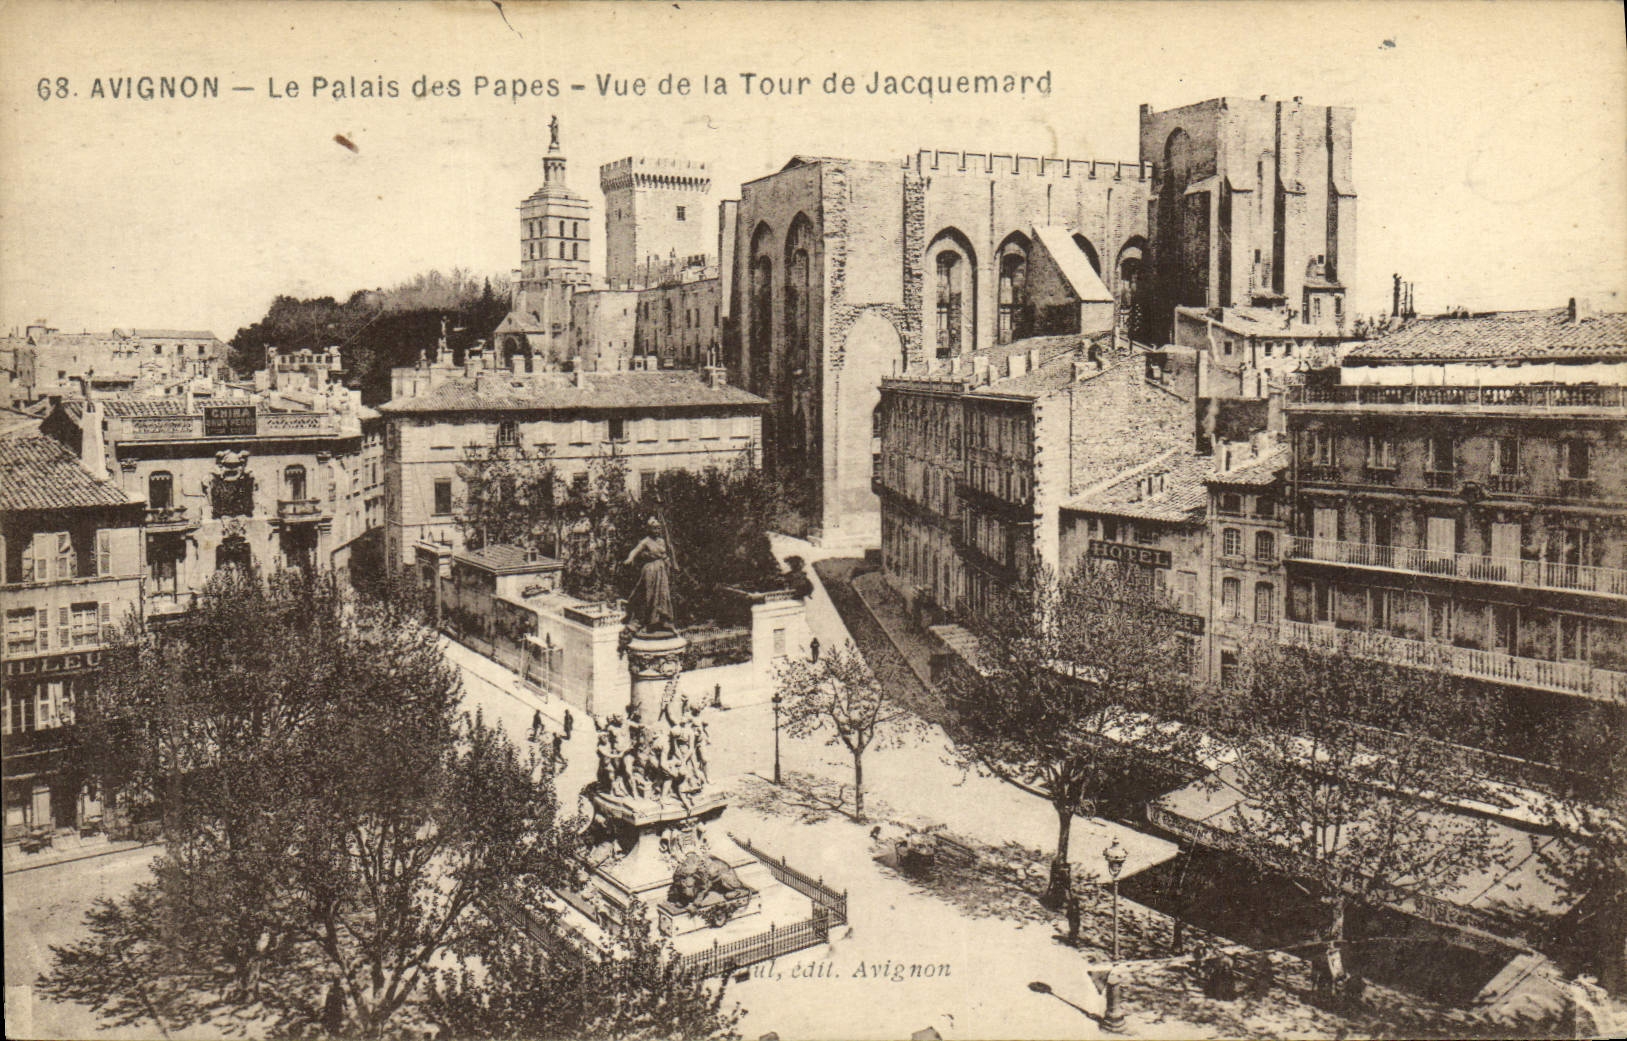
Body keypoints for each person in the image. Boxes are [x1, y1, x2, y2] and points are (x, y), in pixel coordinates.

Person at [624, 517, 677, 635]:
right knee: (649, 596)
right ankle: (648, 622)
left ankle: (663, 621)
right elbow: (635, 551)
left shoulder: (661, 541)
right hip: (650, 570)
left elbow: (665, 556)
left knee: (663, 595)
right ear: (649, 529)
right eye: (654, 528)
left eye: (658, 528)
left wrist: (671, 566)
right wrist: (630, 558)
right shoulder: (646, 541)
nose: (657, 530)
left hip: (662, 570)